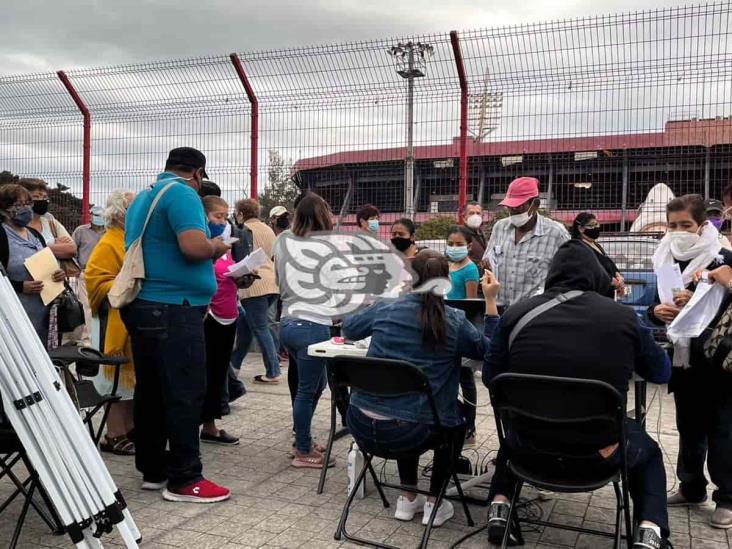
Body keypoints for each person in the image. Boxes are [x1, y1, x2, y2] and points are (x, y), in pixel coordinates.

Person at [483, 239, 672, 548]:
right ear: (597, 276)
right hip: (600, 453)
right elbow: (662, 372)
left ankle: (500, 507)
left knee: (514, 429)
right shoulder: (623, 318)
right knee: (649, 453)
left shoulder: (516, 314)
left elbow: (492, 377)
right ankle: (649, 530)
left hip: (528, 449)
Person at [342, 250, 500, 527]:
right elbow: (489, 351)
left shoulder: (386, 306)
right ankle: (434, 502)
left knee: (411, 407)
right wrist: (490, 303)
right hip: (412, 429)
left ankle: (407, 497)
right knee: (451, 418)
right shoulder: (454, 320)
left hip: (361, 424)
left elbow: (349, 330)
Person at [119, 147, 231, 503]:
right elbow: (193, 248)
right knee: (185, 391)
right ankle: (186, 479)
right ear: (197, 174)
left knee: (151, 390)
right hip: (175, 309)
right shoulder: (183, 193)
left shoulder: (145, 196)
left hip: (146, 306)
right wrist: (217, 245)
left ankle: (153, 469)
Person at [648, 194, 732, 529]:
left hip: (719, 358)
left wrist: (698, 302)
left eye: (686, 225)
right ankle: (691, 485)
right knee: (689, 426)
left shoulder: (722, 257)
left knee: (723, 429)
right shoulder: (665, 257)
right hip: (684, 358)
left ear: (702, 226)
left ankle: (727, 499)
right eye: (672, 226)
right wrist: (658, 312)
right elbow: (657, 303)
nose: (678, 232)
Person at [275, 192, 336, 469]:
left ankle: (304, 438)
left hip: (289, 321)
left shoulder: (284, 241)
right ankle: (302, 450)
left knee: (314, 385)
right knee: (307, 389)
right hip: (313, 323)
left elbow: (279, 278)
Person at [85, 190, 136, 456]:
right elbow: (95, 281)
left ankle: (128, 428)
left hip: (131, 317)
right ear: (118, 214)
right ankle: (113, 434)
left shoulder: (131, 239)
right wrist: (125, 283)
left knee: (131, 381)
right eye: (132, 207)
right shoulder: (108, 243)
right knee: (116, 380)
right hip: (111, 320)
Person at [482, 177, 569, 312]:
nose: (514, 211)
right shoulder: (500, 227)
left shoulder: (556, 233)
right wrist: (486, 267)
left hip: (534, 314)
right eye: (510, 207)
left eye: (520, 206)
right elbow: (488, 261)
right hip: (499, 310)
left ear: (535, 204)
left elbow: (570, 274)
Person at [0, 184, 66, 347]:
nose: (27, 209)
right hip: (12, 318)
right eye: (20, 204)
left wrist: (58, 274)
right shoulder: (2, 235)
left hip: (42, 319)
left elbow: (47, 263)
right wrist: (20, 287)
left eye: (28, 204)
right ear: (4, 209)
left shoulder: (35, 235)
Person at [200, 196, 240, 446]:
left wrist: (243, 277)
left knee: (218, 373)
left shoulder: (226, 244)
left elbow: (229, 271)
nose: (223, 221)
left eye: (225, 216)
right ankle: (195, 423)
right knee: (203, 371)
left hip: (229, 314)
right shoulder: (200, 243)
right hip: (208, 315)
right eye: (218, 216)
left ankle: (210, 425)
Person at [234, 198, 282, 384]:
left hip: (253, 284)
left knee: (260, 328)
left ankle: (273, 370)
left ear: (241, 213)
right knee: (246, 327)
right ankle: (234, 365)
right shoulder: (268, 229)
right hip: (272, 283)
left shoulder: (242, 230)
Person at [70, 205, 106, 346]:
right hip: (85, 272)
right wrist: (77, 269)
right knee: (86, 306)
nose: (98, 218)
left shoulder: (109, 232)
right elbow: (72, 251)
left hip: (104, 273)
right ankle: (88, 340)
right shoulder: (81, 231)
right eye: (95, 215)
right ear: (90, 216)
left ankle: (101, 337)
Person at [18, 178, 77, 262]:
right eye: (36, 196)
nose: (42, 200)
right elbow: (18, 251)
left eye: (45, 197)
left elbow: (71, 249)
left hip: (56, 274)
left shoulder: (52, 223)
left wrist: (36, 249)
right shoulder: (14, 225)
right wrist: (53, 245)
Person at [570, 212, 625, 299]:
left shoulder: (596, 244)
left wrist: (618, 275)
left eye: (597, 224)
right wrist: (610, 280)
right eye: (591, 225)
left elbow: (608, 263)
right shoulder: (577, 247)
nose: (596, 227)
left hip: (606, 295)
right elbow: (588, 270)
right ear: (581, 228)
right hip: (591, 295)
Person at [446, 226, 480, 300]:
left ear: (469, 246)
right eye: (450, 244)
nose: (454, 247)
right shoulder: (450, 265)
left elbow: (471, 302)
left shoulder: (470, 270)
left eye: (459, 244)